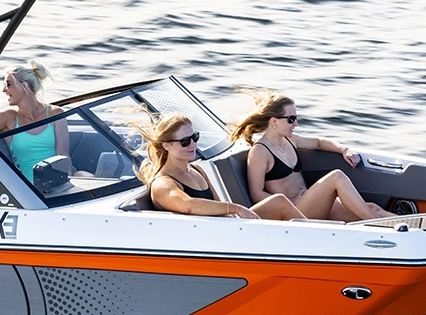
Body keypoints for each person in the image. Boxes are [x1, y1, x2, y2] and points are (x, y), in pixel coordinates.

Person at [232, 93, 391, 222]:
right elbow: (256, 193)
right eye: (291, 119)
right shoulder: (260, 152)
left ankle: (404, 226)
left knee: (372, 208)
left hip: (311, 204)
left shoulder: (290, 140)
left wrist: (344, 150)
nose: (296, 124)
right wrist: (289, 202)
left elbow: (319, 142)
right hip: (295, 212)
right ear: (274, 121)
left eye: (296, 118)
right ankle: (378, 226)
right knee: (336, 177)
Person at [141, 114, 304, 220]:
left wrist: (235, 218)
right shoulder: (163, 184)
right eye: (185, 142)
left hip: (223, 229)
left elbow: (220, 210)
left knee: (278, 201)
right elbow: (188, 205)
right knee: (279, 203)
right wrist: (235, 208)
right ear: (166, 146)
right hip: (207, 240)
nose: (193, 144)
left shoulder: (197, 170)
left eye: (195, 137)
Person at [0, 60, 69, 178]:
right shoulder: (8, 117)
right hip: (26, 186)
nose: (4, 90)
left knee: (82, 174)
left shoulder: (55, 113)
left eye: (8, 84)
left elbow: (64, 157)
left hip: (59, 180)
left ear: (24, 86)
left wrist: (68, 183)